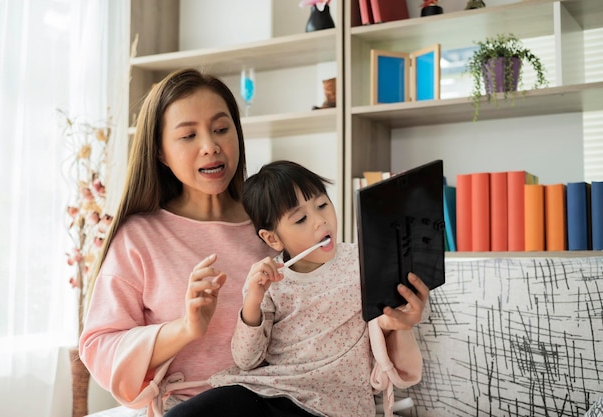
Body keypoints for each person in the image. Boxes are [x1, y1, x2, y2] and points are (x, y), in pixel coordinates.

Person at [78, 68, 277, 417]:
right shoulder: (139, 237)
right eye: (188, 136)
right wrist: (184, 329)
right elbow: (99, 346)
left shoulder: (273, 224)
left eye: (220, 129)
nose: (210, 146)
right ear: (160, 152)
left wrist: (390, 326)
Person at [164, 160, 429, 417]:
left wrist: (401, 314)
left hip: (333, 404)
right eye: (301, 219)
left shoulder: (364, 261)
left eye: (323, 205)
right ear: (273, 238)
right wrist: (253, 301)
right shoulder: (268, 282)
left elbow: (395, 316)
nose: (320, 221)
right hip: (271, 391)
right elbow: (247, 361)